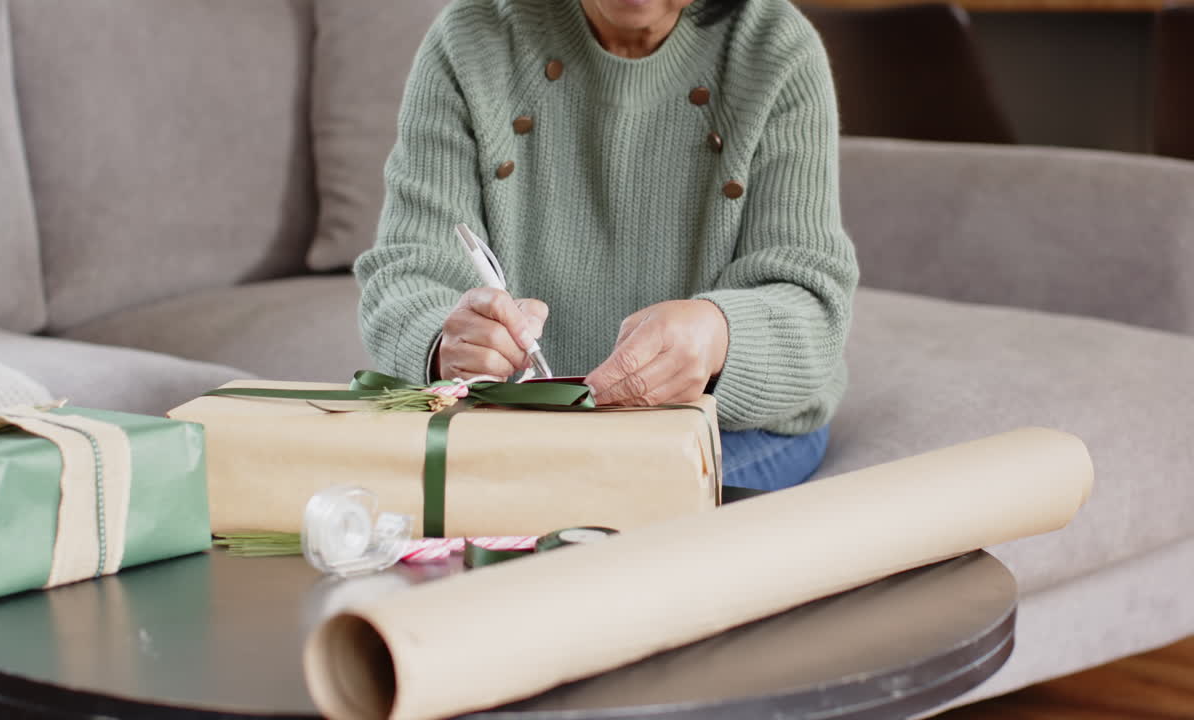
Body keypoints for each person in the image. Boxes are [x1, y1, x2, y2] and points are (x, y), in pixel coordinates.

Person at [356, 0, 858, 491]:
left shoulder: (776, 46)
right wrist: (446, 343)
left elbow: (809, 298)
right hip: (521, 425)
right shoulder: (471, 37)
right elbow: (407, 270)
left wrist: (718, 337)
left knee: (581, 508)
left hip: (726, 428)